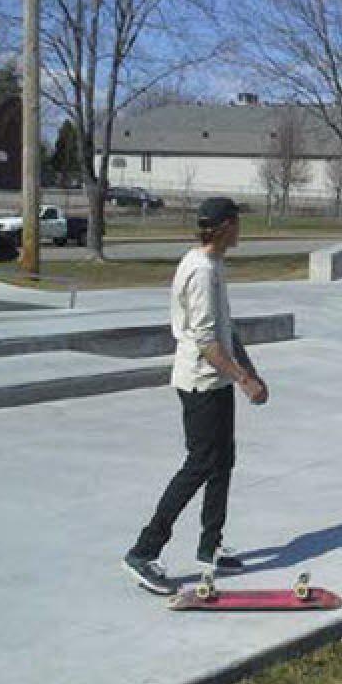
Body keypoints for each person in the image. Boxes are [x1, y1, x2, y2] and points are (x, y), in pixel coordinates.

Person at [123, 197, 269, 595]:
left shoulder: (214, 265)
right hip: (201, 382)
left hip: (217, 380)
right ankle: (143, 551)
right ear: (223, 227)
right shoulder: (201, 271)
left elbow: (226, 329)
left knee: (223, 462)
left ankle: (210, 546)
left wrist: (249, 371)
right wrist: (244, 380)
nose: (241, 230)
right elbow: (205, 341)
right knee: (200, 463)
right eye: (237, 223)